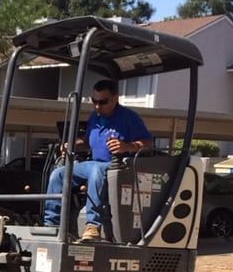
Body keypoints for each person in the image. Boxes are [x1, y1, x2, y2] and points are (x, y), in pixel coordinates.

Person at [44, 79, 152, 241]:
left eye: (103, 102)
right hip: (95, 163)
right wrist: (72, 144)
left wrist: (126, 146)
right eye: (94, 101)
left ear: (115, 98)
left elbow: (149, 143)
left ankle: (93, 225)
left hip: (120, 167)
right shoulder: (95, 117)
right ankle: (52, 223)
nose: (97, 106)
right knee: (59, 173)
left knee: (97, 170)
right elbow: (88, 142)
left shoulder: (130, 118)